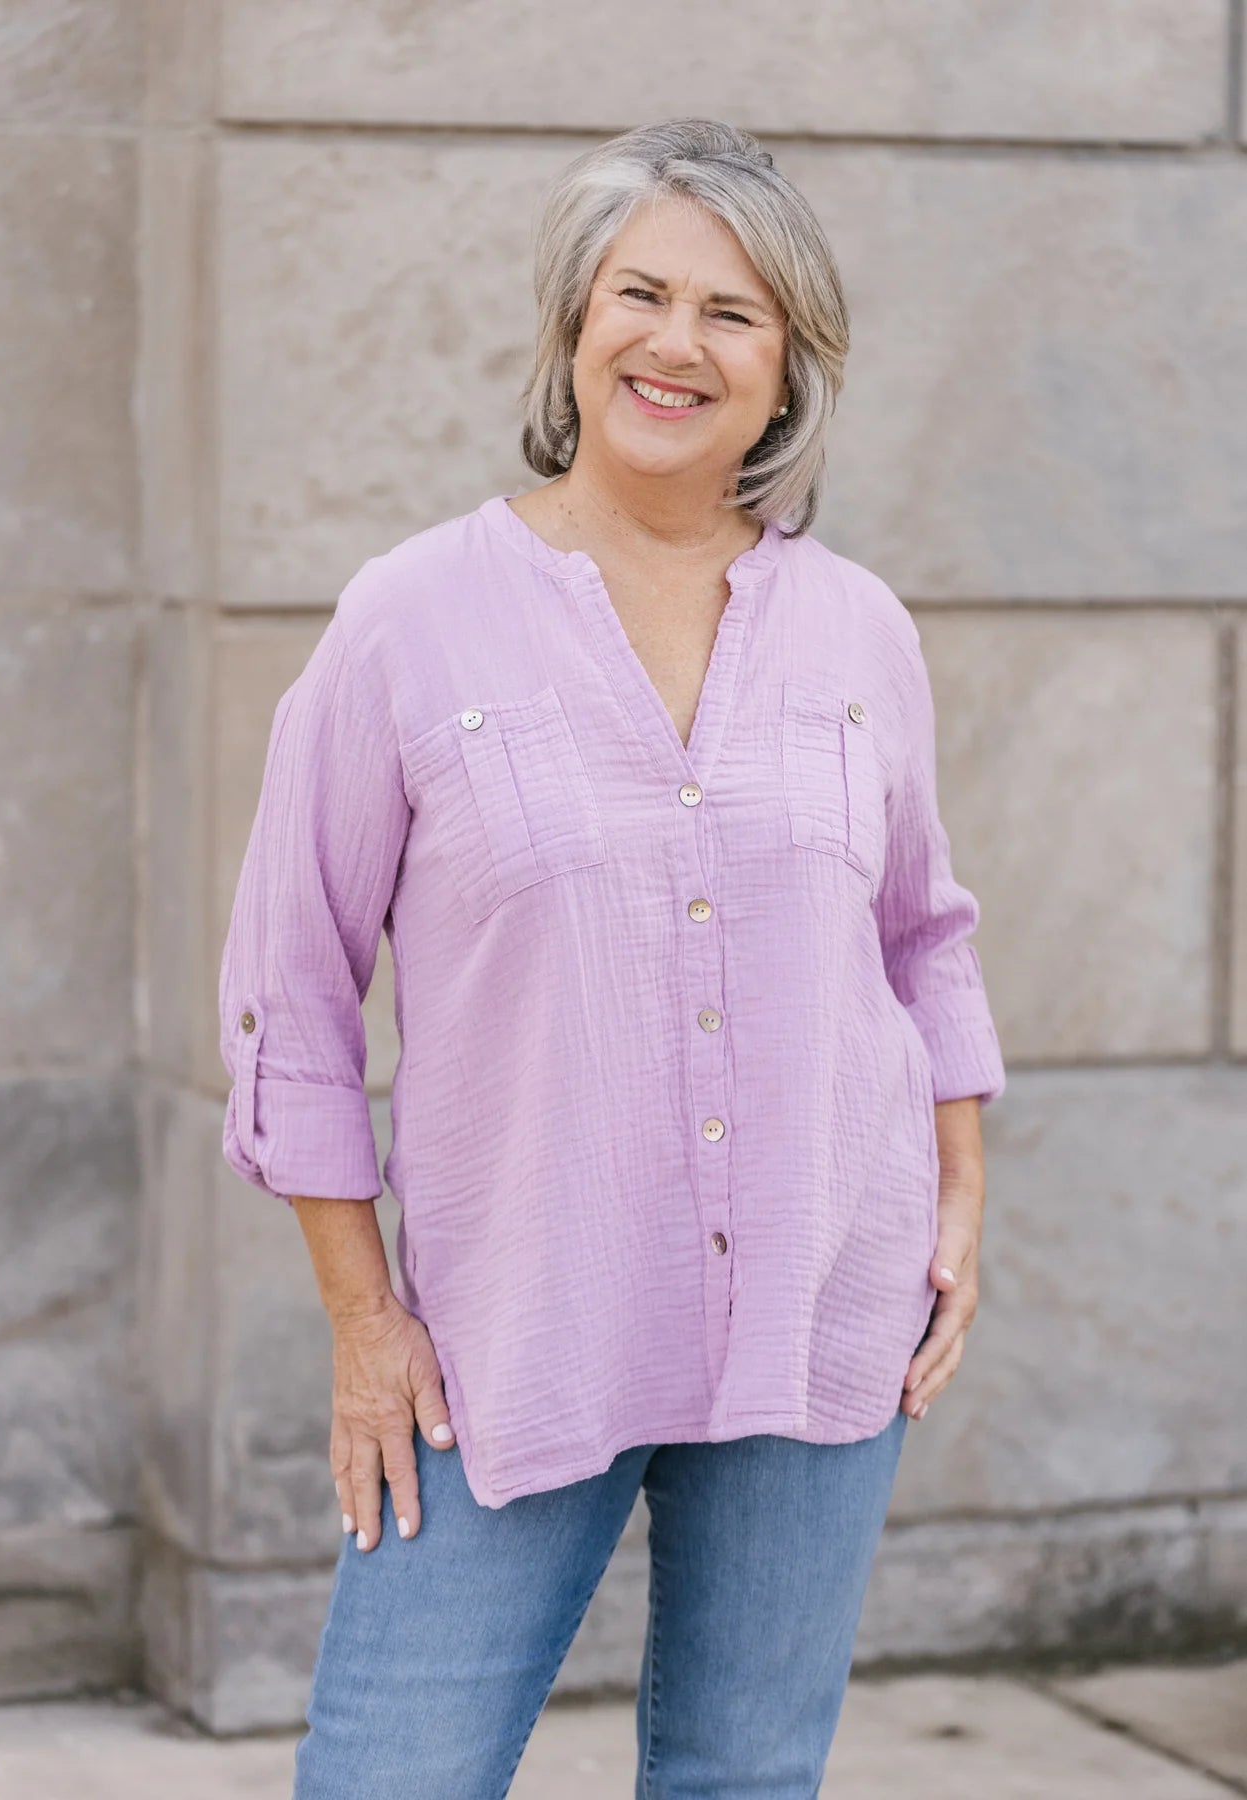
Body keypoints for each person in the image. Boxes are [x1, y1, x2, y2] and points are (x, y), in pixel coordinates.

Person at [218, 115, 1005, 1798]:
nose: (676, 342)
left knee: (742, 1775)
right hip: (512, 1324)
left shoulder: (857, 625)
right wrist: (365, 1318)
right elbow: (290, 987)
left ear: (787, 366)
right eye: (640, 293)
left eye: (732, 312)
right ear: (573, 323)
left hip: (820, 1302)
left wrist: (955, 1191)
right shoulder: (411, 618)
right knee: (391, 1777)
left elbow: (922, 933)